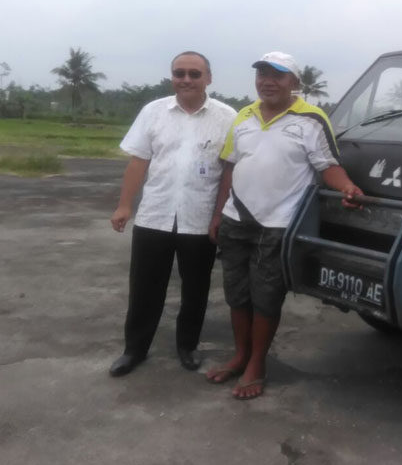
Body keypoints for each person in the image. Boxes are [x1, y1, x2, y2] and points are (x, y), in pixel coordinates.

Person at [205, 51, 363, 399]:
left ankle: (256, 364)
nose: (268, 81)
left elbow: (327, 166)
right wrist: (218, 215)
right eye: (262, 74)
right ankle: (240, 355)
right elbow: (230, 167)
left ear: (295, 83)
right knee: (237, 295)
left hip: (277, 225)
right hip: (236, 220)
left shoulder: (311, 119)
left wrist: (347, 186)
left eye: (278, 75)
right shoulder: (244, 116)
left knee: (265, 298)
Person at [108, 51, 236, 377]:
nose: (187, 80)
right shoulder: (153, 112)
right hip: (155, 215)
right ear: (172, 77)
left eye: (195, 74)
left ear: (208, 78)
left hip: (200, 217)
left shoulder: (227, 117)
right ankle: (134, 350)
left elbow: (229, 172)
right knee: (144, 288)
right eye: (180, 73)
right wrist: (125, 204)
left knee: (196, 288)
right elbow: (138, 161)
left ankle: (187, 346)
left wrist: (220, 215)